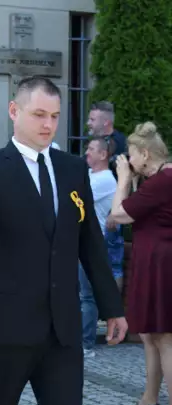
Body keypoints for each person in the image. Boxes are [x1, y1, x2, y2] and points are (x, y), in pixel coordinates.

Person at [0, 76, 127, 405]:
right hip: (4, 329)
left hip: (63, 332)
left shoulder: (72, 170)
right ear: (14, 110)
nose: (48, 124)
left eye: (54, 116)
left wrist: (112, 308)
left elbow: (90, 244)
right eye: (39, 114)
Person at [110, 122, 172, 405]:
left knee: (165, 338)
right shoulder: (160, 179)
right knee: (150, 334)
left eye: (130, 155)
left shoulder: (164, 180)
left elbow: (116, 216)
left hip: (162, 265)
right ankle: (149, 402)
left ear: (145, 153)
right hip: (156, 262)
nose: (128, 161)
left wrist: (122, 181)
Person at [80, 137, 119, 358]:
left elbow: (74, 197)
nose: (87, 152)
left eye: (92, 149)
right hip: (84, 240)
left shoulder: (104, 179)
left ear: (103, 155)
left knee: (86, 296)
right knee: (81, 295)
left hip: (96, 242)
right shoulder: (92, 176)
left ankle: (86, 344)